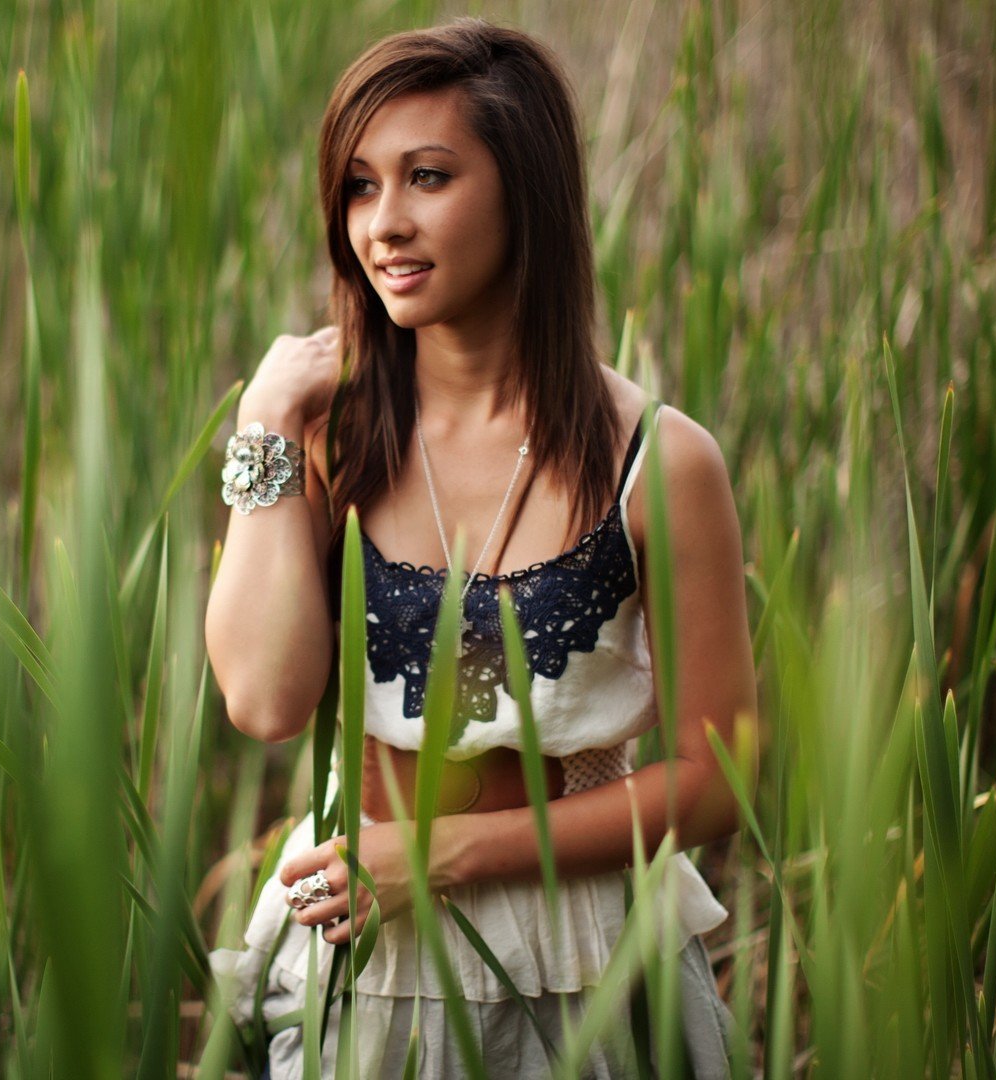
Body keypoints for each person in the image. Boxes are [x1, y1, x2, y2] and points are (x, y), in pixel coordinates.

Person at [204, 18, 757, 1078]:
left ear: (526, 192)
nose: (384, 225)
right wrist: (264, 426)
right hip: (360, 957)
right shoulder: (331, 439)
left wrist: (443, 856)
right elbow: (265, 702)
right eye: (360, 187)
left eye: (428, 177)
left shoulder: (658, 463)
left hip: (578, 965)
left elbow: (716, 777)